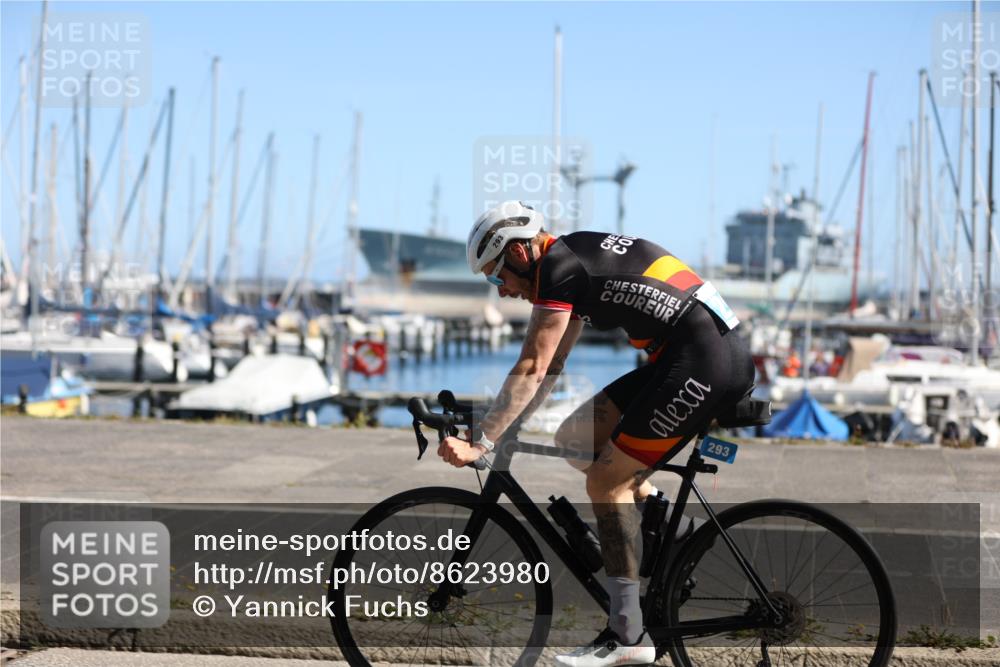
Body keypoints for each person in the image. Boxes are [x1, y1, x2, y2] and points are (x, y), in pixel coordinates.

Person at [437, 200, 755, 667]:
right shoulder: (572, 261)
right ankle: (671, 528)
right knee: (575, 439)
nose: (501, 291)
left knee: (606, 481)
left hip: (704, 361)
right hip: (691, 354)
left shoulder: (560, 269)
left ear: (521, 253)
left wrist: (482, 442)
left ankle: (628, 634)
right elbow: (553, 366)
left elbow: (533, 363)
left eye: (495, 276)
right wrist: (505, 426)